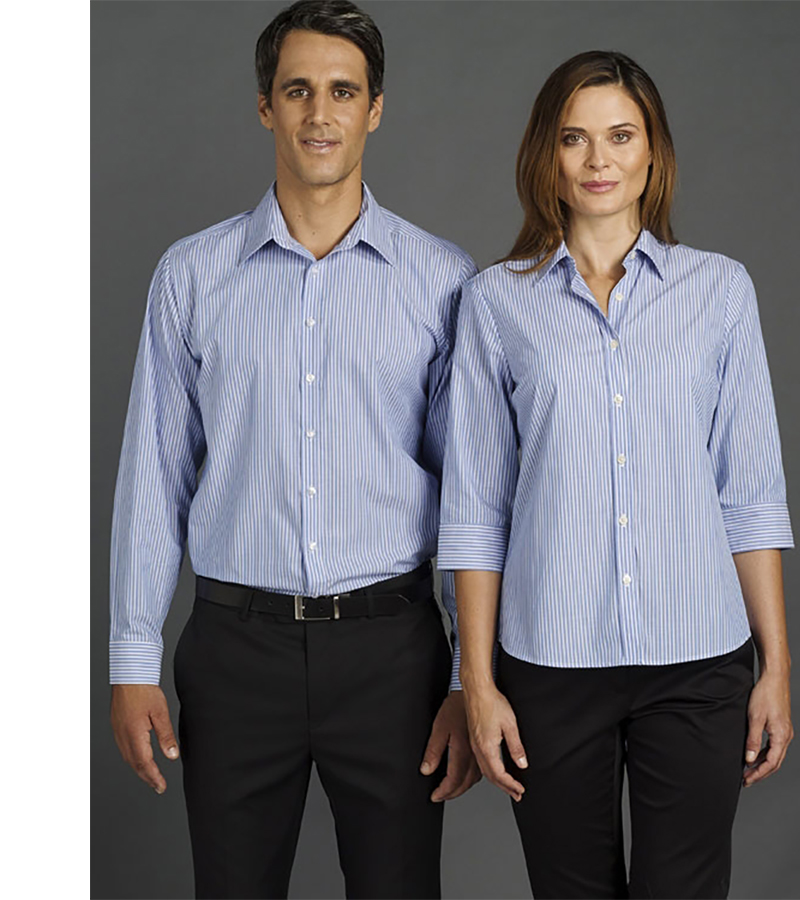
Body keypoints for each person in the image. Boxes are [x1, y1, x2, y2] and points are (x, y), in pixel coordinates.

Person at [107, 2, 481, 897]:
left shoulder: (443, 281)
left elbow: (471, 494)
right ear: (265, 106)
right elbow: (154, 473)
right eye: (298, 89)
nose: (320, 113)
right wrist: (131, 658)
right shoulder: (191, 276)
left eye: (343, 91)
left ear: (375, 109)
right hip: (235, 653)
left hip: (393, 656)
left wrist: (469, 678)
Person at [437, 50, 796, 900]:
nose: (598, 160)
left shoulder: (721, 292)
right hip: (549, 665)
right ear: (546, 155)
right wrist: (476, 683)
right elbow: (476, 511)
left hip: (699, 661)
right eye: (574, 138)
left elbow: (749, 496)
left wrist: (777, 668)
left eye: (621, 136)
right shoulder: (495, 303)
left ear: (653, 151)